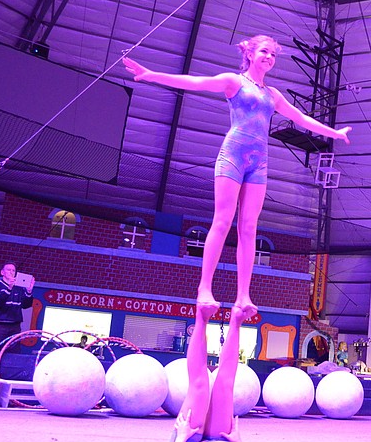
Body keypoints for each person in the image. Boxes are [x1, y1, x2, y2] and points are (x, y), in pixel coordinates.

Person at [123, 36, 351, 317]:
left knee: (249, 228)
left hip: (259, 162)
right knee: (222, 220)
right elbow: (196, 82)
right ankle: (204, 287)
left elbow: (301, 119)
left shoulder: (273, 95)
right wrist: (151, 75)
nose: (269, 57)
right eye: (264, 52)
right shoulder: (234, 82)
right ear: (251, 54)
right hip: (232, 156)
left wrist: (335, 134)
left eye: (273, 55)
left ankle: (243, 295)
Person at [161, 303, 279, 442]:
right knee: (225, 385)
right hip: (220, 439)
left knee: (200, 386)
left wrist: (181, 437)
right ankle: (236, 320)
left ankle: (201, 316)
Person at [0, 262, 34, 352]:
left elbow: (26, 305)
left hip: (14, 326)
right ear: (2, 272)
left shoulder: (19, 288)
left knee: (13, 352)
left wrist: (29, 291)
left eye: (13, 270)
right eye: (8, 270)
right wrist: (9, 288)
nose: (11, 272)